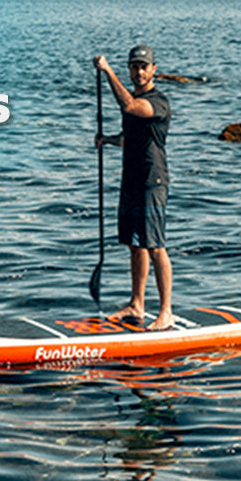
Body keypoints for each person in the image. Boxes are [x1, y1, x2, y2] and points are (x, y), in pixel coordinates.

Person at [93, 45, 174, 331]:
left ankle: (166, 312)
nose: (139, 71)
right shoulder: (135, 99)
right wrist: (108, 140)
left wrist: (107, 71)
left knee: (154, 245)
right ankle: (137, 303)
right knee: (134, 243)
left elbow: (129, 106)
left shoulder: (158, 101)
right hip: (131, 179)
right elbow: (131, 137)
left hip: (153, 181)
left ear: (153, 70)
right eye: (134, 66)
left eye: (144, 66)